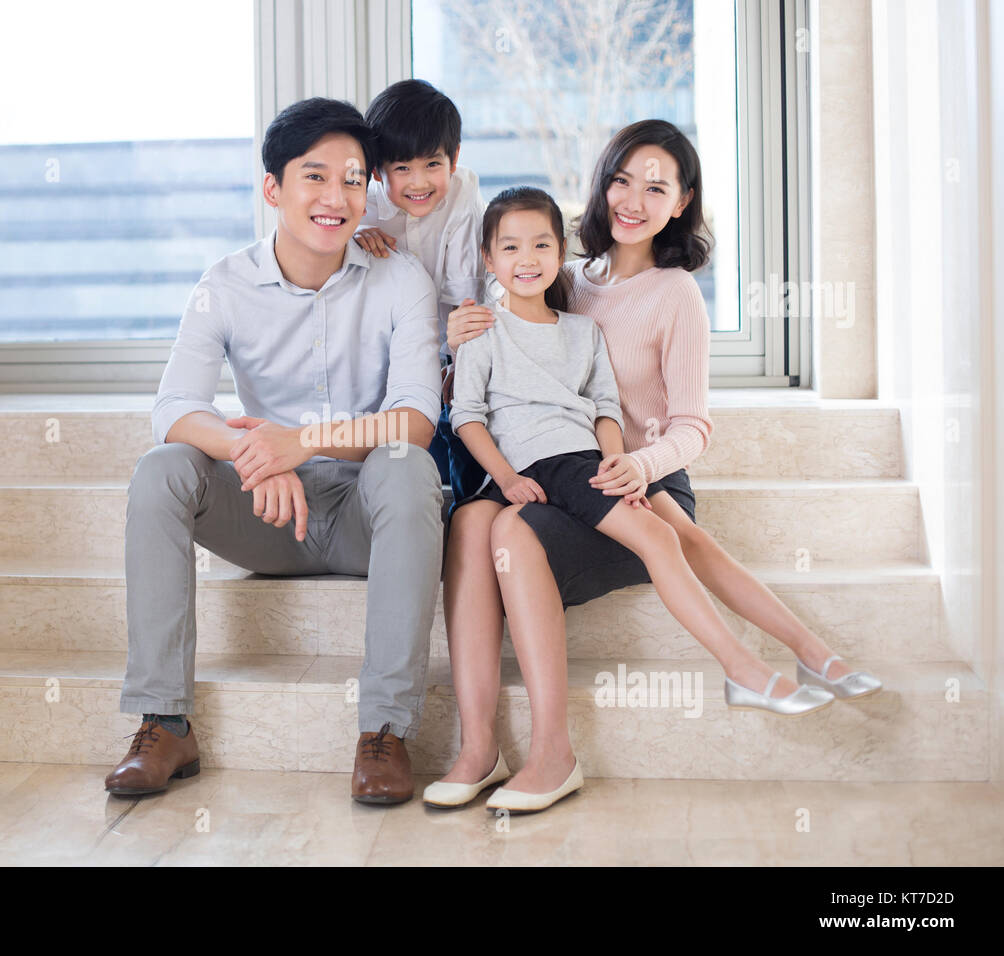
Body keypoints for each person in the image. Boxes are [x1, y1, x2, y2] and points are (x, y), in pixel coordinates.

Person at [431, 121, 882, 813]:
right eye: (621, 179)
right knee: (471, 524)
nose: (633, 198)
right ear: (601, 184)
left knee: (668, 533)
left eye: (656, 186)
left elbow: (692, 426)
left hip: (633, 467)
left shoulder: (675, 294)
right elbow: (506, 360)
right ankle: (476, 748)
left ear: (681, 202)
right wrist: (460, 334)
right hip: (556, 467)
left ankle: (791, 655)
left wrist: (633, 463)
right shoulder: (567, 279)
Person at [105, 97, 445, 806]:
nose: (336, 196)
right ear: (273, 189)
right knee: (162, 470)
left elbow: (415, 419)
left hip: (365, 514)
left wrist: (303, 442)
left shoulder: (402, 279)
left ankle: (384, 731)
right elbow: (172, 408)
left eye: (354, 179)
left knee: (408, 464)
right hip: (268, 519)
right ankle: (165, 721)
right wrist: (251, 451)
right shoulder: (224, 284)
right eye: (314, 177)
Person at [353, 79, 488, 512]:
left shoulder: (463, 196)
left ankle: (470, 511)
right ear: (377, 171)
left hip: (452, 338)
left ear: (454, 159)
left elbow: (466, 294)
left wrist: (454, 361)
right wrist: (353, 235)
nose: (419, 182)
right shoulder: (362, 204)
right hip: (387, 351)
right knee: (404, 446)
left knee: (463, 419)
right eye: (402, 169)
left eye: (432, 165)